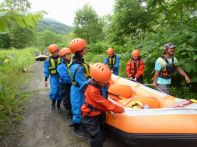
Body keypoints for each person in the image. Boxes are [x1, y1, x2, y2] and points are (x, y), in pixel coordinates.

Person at [81, 63, 124, 147]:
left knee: (102, 132)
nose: (106, 83)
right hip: (91, 116)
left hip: (99, 113)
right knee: (96, 137)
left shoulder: (99, 83)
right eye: (105, 81)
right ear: (98, 80)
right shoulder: (92, 90)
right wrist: (119, 109)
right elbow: (105, 103)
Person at [69, 38, 90, 137]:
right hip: (78, 90)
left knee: (82, 107)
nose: (86, 49)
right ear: (80, 51)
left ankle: (81, 123)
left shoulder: (79, 62)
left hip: (80, 89)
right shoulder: (77, 66)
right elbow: (84, 83)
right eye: (84, 48)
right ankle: (76, 128)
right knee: (78, 108)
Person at [57, 48, 73, 125]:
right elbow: (65, 78)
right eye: (68, 55)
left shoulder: (72, 64)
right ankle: (69, 115)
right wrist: (75, 81)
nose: (70, 56)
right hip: (65, 85)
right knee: (66, 99)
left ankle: (73, 112)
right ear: (63, 57)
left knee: (73, 99)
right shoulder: (60, 66)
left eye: (70, 54)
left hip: (72, 84)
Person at [44, 44, 61, 111]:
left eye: (56, 52)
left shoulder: (62, 58)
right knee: (54, 91)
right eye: (53, 52)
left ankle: (58, 105)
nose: (54, 53)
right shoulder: (48, 61)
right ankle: (53, 103)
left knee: (60, 92)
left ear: (58, 51)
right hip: (53, 77)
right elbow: (46, 70)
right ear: (51, 53)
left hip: (60, 77)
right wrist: (45, 80)